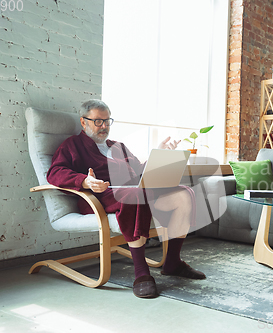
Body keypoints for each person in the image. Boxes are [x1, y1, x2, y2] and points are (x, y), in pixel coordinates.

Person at [47, 99, 205, 299]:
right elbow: (55, 173)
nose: (104, 126)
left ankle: (173, 262)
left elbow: (139, 171)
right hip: (98, 196)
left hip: (131, 191)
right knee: (135, 195)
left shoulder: (118, 146)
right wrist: (85, 181)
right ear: (83, 122)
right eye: (98, 121)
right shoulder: (72, 145)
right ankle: (141, 272)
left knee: (183, 193)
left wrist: (159, 155)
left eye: (107, 121)